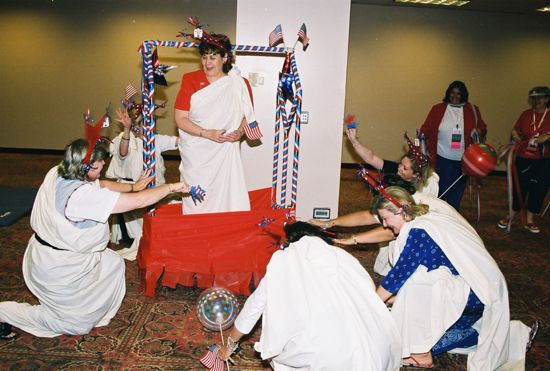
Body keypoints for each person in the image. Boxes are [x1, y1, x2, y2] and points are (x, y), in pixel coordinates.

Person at [0, 138, 189, 338]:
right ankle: (4, 312)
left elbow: (102, 185)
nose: (100, 172)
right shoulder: (80, 198)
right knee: (75, 325)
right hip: (55, 267)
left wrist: (134, 186)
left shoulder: (60, 170)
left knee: (112, 263)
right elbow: (139, 201)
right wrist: (171, 187)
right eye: (97, 168)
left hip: (55, 254)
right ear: (83, 167)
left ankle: (81, 309)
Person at [371, 186, 535, 369]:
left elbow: (397, 277)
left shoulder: (419, 232)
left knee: (413, 296)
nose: (385, 225)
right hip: (477, 291)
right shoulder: (423, 219)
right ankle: (492, 335)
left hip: (471, 295)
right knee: (408, 312)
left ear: (401, 210)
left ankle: (421, 354)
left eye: (385, 218)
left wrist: (370, 305)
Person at [217, 222, 402, 370]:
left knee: (282, 353)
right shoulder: (344, 256)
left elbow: (254, 307)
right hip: (379, 351)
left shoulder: (283, 260)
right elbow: (367, 292)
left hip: (327, 357)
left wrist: (230, 343)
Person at [310, 174, 460, 276]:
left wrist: (352, 239)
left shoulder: (413, 213)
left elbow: (390, 233)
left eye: (385, 218)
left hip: (454, 252)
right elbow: (365, 216)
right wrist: (329, 223)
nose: (385, 223)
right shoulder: (403, 204)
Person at [174, 32, 255, 214]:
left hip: (225, 150)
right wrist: (206, 133)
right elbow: (180, 118)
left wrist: (240, 133)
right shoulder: (190, 79)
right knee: (197, 198)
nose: (207, 63)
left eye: (213, 57)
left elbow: (247, 117)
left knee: (226, 197)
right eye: (204, 57)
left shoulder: (239, 84)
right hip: (197, 151)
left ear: (225, 57)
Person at [106, 108, 179, 259]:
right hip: (133, 191)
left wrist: (201, 133)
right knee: (147, 222)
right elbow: (122, 153)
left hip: (158, 190)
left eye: (150, 125)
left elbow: (179, 142)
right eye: (142, 125)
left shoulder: (156, 140)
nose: (146, 129)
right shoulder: (125, 137)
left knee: (178, 204)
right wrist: (126, 130)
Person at [419, 80, 487, 210]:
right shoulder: (438, 108)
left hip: (462, 159)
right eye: (452, 93)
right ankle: (437, 213)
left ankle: (452, 213)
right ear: (448, 94)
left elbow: (482, 127)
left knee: (456, 191)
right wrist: (421, 134)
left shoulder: (472, 110)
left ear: (464, 95)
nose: (455, 96)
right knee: (439, 188)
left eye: (458, 94)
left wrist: (479, 131)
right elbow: (427, 127)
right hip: (441, 157)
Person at [498, 86, 550, 233]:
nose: (536, 101)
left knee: (539, 189)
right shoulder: (526, 114)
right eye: (533, 98)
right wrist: (514, 134)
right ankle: (511, 215)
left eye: (540, 97)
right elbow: (516, 130)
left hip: (543, 160)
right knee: (518, 187)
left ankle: (530, 219)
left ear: (547, 99)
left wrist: (547, 137)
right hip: (524, 158)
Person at [345, 125, 439, 196]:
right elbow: (371, 158)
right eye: (401, 164)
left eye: (405, 168)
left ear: (416, 174)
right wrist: (354, 142)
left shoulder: (429, 186)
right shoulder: (397, 169)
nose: (399, 168)